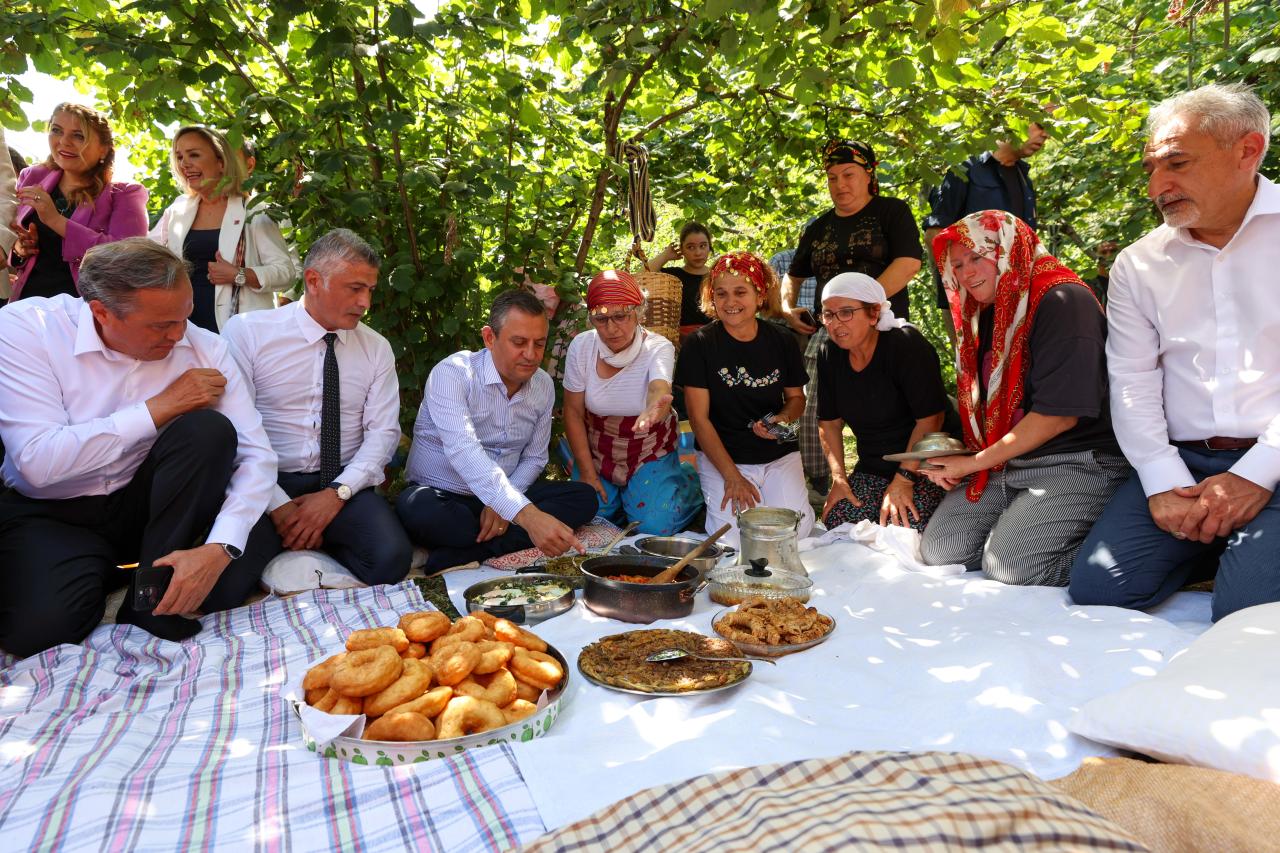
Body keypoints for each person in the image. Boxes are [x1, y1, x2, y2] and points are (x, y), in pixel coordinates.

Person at [0, 238, 276, 657]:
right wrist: (159, 408)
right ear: (101, 312)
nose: (179, 335)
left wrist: (221, 547)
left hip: (148, 507)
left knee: (209, 431)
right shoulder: (29, 329)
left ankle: (149, 593)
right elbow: (38, 462)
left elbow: (257, 456)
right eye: (161, 325)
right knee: (38, 632)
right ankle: (95, 572)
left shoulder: (204, 347)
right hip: (51, 511)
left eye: (184, 316)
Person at [1070, 83, 1280, 621]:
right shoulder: (1139, 263)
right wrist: (1162, 481)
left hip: (1276, 455)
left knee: (1243, 615)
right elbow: (1132, 379)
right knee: (1101, 589)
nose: (1157, 187)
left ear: (1248, 151)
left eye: (1177, 164)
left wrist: (1257, 473)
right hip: (1188, 459)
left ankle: (1245, 557)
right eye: (1151, 169)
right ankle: (1220, 541)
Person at [919, 211, 1129, 586]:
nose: (967, 273)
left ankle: (1138, 548)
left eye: (977, 256)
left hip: (1077, 459)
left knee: (1011, 567)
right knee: (943, 551)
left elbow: (1058, 416)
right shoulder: (990, 311)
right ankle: (1029, 529)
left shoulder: (1063, 300)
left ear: (1006, 250)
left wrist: (972, 464)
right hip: (1010, 462)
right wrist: (959, 460)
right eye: (957, 265)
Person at [226, 229, 411, 586]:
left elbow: (383, 433)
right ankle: (299, 540)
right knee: (225, 585)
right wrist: (278, 506)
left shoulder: (375, 348)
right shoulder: (249, 332)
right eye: (355, 288)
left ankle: (315, 540)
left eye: (370, 290)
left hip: (343, 483)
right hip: (264, 480)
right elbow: (236, 426)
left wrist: (336, 495)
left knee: (390, 561)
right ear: (313, 281)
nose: (365, 302)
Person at [396, 289, 598, 572]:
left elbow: (535, 458)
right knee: (419, 510)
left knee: (583, 498)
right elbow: (464, 451)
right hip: (445, 497)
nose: (531, 355)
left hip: (508, 491)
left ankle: (461, 554)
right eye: (519, 342)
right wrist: (524, 514)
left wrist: (505, 502)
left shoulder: (542, 385)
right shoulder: (453, 373)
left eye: (539, 344)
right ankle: (501, 538)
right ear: (490, 338)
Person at [779, 139, 924, 494]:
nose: (840, 184)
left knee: (896, 408)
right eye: (832, 177)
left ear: (869, 174)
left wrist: (861, 305)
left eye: (848, 174)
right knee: (815, 409)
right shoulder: (818, 227)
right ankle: (821, 482)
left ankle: (905, 478)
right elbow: (792, 276)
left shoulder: (892, 211)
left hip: (885, 327)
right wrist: (786, 308)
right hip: (830, 332)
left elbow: (909, 263)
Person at [675, 250, 814, 547]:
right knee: (735, 541)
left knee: (795, 532)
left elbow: (796, 399)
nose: (730, 302)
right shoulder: (699, 344)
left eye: (740, 292)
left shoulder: (782, 339)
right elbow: (698, 419)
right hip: (724, 457)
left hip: (778, 453)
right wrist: (732, 477)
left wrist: (782, 419)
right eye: (721, 293)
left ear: (760, 295)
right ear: (711, 297)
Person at [563, 269, 702, 535]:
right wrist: (588, 474)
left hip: (648, 448)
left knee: (654, 526)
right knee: (588, 518)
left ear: (639, 311)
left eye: (621, 316)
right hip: (598, 449)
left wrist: (654, 409)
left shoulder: (658, 346)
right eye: (601, 319)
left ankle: (688, 481)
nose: (611, 328)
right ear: (591, 318)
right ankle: (622, 498)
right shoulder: (582, 346)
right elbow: (572, 411)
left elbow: (658, 388)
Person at [815, 273, 951, 532]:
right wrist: (839, 478)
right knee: (840, 519)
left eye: (846, 312)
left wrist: (904, 479)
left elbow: (931, 420)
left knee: (905, 524)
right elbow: (829, 422)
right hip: (874, 466)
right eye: (828, 315)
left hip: (926, 465)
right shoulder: (829, 354)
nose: (835, 323)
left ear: (874, 313)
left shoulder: (906, 345)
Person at [149, 125, 297, 332]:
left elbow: (286, 273)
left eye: (194, 155)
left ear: (221, 162)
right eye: (179, 157)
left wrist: (239, 274)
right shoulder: (177, 210)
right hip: (186, 331)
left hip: (242, 332)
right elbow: (146, 258)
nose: (184, 164)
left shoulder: (256, 211)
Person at [923, 121, 1049, 347]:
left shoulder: (1023, 177)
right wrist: (962, 293)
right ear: (1013, 118)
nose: (1045, 134)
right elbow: (935, 234)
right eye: (1040, 125)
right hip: (971, 307)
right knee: (978, 368)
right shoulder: (964, 169)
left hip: (1016, 303)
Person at [7, 103, 148, 302]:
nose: (64, 142)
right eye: (56, 130)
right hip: (27, 304)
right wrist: (19, 249)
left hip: (88, 308)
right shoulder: (31, 176)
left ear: (104, 150)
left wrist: (56, 221)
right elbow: (15, 245)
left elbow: (129, 258)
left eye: (79, 136)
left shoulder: (126, 194)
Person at [645, 221, 714, 337]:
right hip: (681, 341)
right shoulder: (673, 276)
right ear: (682, 249)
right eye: (690, 247)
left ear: (709, 247)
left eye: (703, 246)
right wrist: (665, 256)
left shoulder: (718, 275)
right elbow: (641, 276)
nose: (698, 253)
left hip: (714, 338)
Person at [1083, 240, 1119, 306]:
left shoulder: (1129, 279)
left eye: (1113, 251)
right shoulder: (1089, 286)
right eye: (1103, 252)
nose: (1109, 255)